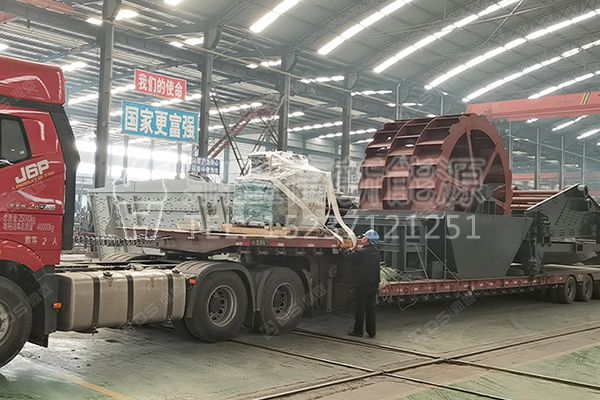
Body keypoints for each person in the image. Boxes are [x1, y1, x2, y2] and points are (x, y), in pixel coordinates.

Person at [345, 229, 381, 338]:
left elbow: (348, 257)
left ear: (368, 240)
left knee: (359, 308)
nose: (362, 239)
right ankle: (371, 332)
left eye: (364, 238)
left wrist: (348, 250)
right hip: (373, 285)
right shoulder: (376, 252)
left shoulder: (362, 253)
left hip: (362, 285)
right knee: (371, 309)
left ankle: (358, 331)